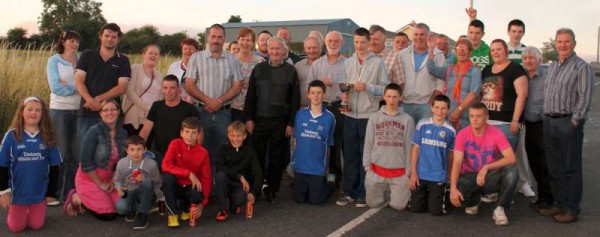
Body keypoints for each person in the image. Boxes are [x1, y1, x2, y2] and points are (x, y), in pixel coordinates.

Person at [540, 28, 594, 223]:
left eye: (567, 41)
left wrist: (574, 122)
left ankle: (571, 209)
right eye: (560, 41)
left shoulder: (582, 67)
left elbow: (585, 98)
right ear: (555, 43)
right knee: (554, 167)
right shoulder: (553, 66)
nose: (563, 45)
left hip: (567, 123)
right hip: (550, 122)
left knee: (571, 167)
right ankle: (559, 204)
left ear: (574, 43)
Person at [244, 36, 301, 204]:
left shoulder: (290, 71)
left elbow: (295, 100)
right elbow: (250, 97)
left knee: (276, 158)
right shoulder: (259, 69)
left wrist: (291, 123)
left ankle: (272, 189)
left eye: (278, 49)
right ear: (267, 50)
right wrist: (248, 118)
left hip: (281, 122)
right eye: (272, 48)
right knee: (258, 155)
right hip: (259, 120)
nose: (275, 52)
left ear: (284, 51)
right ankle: (256, 187)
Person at [336, 27, 387, 208]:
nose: (359, 45)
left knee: (366, 156)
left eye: (362, 42)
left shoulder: (377, 63)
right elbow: (341, 86)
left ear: (369, 42)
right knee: (350, 155)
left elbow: (384, 89)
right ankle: (349, 191)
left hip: (368, 115)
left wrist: (367, 87)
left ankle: (364, 193)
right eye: (356, 42)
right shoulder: (348, 63)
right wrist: (342, 95)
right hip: (349, 114)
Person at [185, 23, 243, 173]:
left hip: (223, 113)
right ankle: (201, 188)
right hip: (201, 111)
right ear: (208, 38)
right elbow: (189, 85)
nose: (216, 40)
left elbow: (237, 86)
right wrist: (208, 101)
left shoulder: (233, 60)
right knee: (199, 148)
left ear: (224, 39)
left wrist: (219, 102)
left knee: (221, 151)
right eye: (213, 37)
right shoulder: (196, 58)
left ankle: (217, 189)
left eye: (219, 37)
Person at [449, 102, 518, 226]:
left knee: (512, 171)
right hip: (469, 175)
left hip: (489, 176)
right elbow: (457, 163)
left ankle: (500, 208)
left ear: (486, 117)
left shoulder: (496, 133)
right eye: (472, 116)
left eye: (478, 116)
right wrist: (453, 189)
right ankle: (475, 200)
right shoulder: (462, 134)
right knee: (459, 196)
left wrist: (486, 167)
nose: (474, 119)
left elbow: (511, 158)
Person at [0, 97, 62, 233]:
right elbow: (2, 165)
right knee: (16, 228)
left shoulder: (48, 135)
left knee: (37, 225)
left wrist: (51, 193)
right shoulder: (11, 135)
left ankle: (35, 210)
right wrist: (4, 192)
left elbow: (54, 166)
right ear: (22, 112)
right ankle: (18, 211)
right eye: (30, 109)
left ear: (42, 114)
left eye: (38, 110)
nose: (34, 113)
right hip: (17, 194)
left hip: (38, 194)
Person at [480, 39, 529, 201]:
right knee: (490, 159)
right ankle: (493, 190)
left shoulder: (516, 69)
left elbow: (522, 95)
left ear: (505, 50)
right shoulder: (486, 70)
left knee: (506, 160)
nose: (495, 52)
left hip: (507, 123)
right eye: (493, 50)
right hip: (488, 123)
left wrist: (515, 120)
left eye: (499, 49)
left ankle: (507, 194)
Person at [68, 100, 128, 221]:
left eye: (113, 109)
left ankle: (94, 197)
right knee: (108, 215)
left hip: (111, 179)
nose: (110, 112)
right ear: (100, 113)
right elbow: (85, 162)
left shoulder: (123, 133)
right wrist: (100, 184)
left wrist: (113, 181)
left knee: (123, 209)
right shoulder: (93, 132)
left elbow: (121, 163)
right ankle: (76, 197)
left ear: (118, 112)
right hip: (90, 179)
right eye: (106, 110)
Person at [75, 23, 130, 144]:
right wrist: (89, 100)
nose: (110, 39)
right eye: (107, 35)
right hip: (87, 112)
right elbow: (79, 81)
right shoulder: (87, 55)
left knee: (110, 154)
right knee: (85, 151)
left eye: (113, 37)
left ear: (118, 39)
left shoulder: (123, 60)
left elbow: (122, 87)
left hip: (112, 114)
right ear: (100, 36)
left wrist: (98, 100)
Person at [363, 83, 414, 210]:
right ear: (384, 97)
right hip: (377, 169)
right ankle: (385, 191)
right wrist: (367, 166)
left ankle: (394, 191)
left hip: (399, 171)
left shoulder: (407, 120)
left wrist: (408, 170)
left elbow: (409, 146)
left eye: (395, 97)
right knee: (373, 204)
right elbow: (369, 143)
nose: (391, 100)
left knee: (399, 206)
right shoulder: (374, 118)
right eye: (389, 96)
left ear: (400, 98)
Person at [46, 30, 81, 204]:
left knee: (76, 154)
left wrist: (69, 83)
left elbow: (87, 83)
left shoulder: (81, 61)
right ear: (63, 42)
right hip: (60, 110)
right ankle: (55, 192)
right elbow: (55, 87)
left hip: (79, 111)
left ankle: (70, 192)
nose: (74, 44)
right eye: (70, 41)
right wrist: (77, 86)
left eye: (76, 41)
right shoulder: (54, 61)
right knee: (62, 153)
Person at [308, 31, 346, 187]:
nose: (333, 44)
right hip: (320, 107)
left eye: (336, 41)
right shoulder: (317, 64)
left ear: (342, 43)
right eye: (330, 41)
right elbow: (309, 87)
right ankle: (317, 174)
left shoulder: (348, 63)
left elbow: (350, 87)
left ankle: (335, 178)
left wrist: (334, 85)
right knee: (318, 141)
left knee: (336, 143)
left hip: (339, 107)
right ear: (325, 42)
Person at [138, 75, 199, 170]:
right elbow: (145, 130)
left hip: (180, 155)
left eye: (172, 88)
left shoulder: (189, 108)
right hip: (158, 154)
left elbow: (199, 134)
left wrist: (192, 155)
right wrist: (138, 148)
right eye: (165, 88)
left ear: (178, 89)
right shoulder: (156, 106)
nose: (168, 91)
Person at [409, 95, 455, 215]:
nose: (440, 111)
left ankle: (440, 195)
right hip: (421, 174)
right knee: (416, 209)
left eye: (443, 108)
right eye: (437, 107)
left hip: (438, 175)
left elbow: (451, 154)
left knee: (436, 211)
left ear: (448, 110)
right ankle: (428, 195)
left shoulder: (450, 130)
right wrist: (413, 173)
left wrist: (449, 173)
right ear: (432, 108)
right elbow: (415, 150)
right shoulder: (422, 124)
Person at [161, 117, 211, 228]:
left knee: (198, 192)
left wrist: (203, 204)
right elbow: (165, 166)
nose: (190, 136)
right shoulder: (175, 144)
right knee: (167, 178)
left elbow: (206, 179)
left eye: (193, 133)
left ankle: (186, 209)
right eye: (187, 132)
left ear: (198, 135)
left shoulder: (203, 153)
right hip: (176, 185)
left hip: (190, 187)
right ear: (181, 133)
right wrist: (188, 173)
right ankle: (173, 215)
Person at [292, 80, 335, 205]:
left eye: (319, 93)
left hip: (317, 168)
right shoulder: (300, 114)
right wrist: (293, 162)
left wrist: (326, 169)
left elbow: (329, 144)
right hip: (300, 167)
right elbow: (295, 141)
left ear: (324, 94)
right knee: (299, 200)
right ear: (308, 95)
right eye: (313, 93)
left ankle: (330, 183)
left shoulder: (329, 117)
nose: (316, 96)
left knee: (316, 201)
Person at [427, 37, 481, 130]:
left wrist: (458, 110)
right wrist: (431, 49)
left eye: (465, 48)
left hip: (466, 118)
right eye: (459, 48)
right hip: (448, 116)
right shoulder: (449, 69)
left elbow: (474, 93)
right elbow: (431, 69)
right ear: (455, 52)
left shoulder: (475, 70)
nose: (461, 51)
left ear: (470, 52)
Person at [521, 47, 551, 209]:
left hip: (543, 124)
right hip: (529, 125)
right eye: (525, 58)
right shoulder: (523, 76)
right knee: (533, 161)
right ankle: (542, 197)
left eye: (532, 58)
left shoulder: (547, 75)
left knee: (545, 162)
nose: (528, 61)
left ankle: (548, 199)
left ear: (539, 60)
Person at [214, 121, 262, 221]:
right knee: (219, 176)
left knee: (240, 199)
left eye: (239, 136)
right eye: (232, 135)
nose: (235, 139)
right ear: (228, 135)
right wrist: (239, 176)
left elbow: (258, 174)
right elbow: (219, 167)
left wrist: (253, 192)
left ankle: (233, 205)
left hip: (241, 186)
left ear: (244, 136)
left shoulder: (250, 151)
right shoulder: (223, 149)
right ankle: (222, 209)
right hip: (226, 182)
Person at [114, 135, 163, 230]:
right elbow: (117, 180)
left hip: (145, 193)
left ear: (145, 150)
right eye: (132, 150)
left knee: (147, 182)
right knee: (121, 208)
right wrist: (119, 188)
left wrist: (146, 178)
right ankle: (132, 209)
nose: (135, 153)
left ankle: (143, 213)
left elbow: (159, 180)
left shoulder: (151, 164)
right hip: (129, 191)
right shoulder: (122, 163)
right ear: (127, 150)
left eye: (139, 149)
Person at [398, 23, 445, 123]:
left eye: (422, 34)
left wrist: (431, 102)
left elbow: (440, 82)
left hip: (426, 104)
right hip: (405, 103)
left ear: (428, 36)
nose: (418, 38)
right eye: (416, 34)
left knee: (424, 136)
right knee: (406, 136)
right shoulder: (403, 54)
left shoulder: (438, 55)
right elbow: (397, 78)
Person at [123, 44, 163, 137]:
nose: (153, 55)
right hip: (134, 117)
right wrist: (148, 108)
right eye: (150, 53)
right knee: (133, 147)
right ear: (143, 55)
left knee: (146, 148)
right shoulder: (135, 68)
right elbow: (129, 91)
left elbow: (160, 97)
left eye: (156, 54)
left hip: (151, 119)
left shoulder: (159, 75)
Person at [231, 27, 265, 123]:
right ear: (238, 41)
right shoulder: (230, 60)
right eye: (242, 39)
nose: (245, 43)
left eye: (248, 40)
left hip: (254, 109)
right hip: (233, 108)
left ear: (253, 42)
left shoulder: (261, 62)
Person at [166, 38, 199, 103]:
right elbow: (167, 85)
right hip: (176, 104)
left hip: (196, 105)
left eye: (191, 49)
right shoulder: (173, 66)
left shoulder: (201, 67)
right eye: (185, 49)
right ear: (182, 50)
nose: (188, 51)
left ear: (197, 51)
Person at [295, 36, 322, 107]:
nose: (312, 51)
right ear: (304, 49)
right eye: (309, 48)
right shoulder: (298, 66)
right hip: (302, 108)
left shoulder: (327, 65)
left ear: (320, 48)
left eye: (314, 48)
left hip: (322, 108)